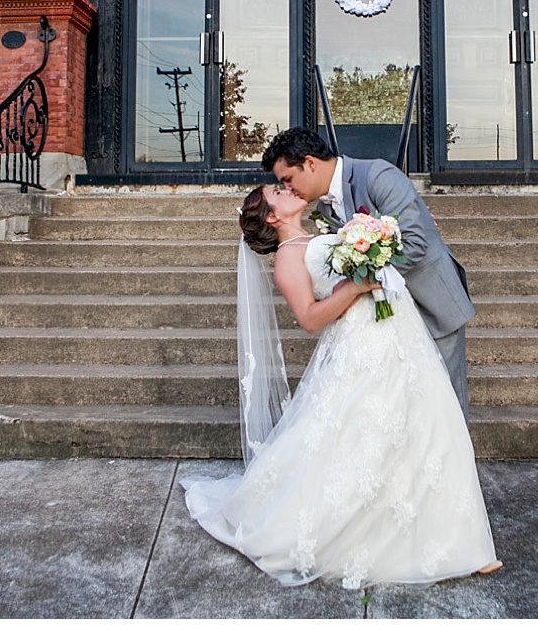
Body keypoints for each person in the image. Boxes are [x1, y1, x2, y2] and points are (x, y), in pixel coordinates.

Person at [180, 183, 499, 589]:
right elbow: (311, 319)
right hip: (360, 345)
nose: (287, 187)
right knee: (366, 434)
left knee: (431, 426)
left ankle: (462, 544)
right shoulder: (287, 259)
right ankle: (379, 536)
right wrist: (356, 287)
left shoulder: (323, 232)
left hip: (399, 333)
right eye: (277, 191)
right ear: (272, 217)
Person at [262, 126, 475, 420]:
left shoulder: (377, 175)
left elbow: (414, 244)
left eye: (287, 179)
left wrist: (358, 282)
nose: (288, 190)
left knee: (445, 408)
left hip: (431, 302)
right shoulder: (324, 209)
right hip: (392, 321)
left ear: (309, 163)